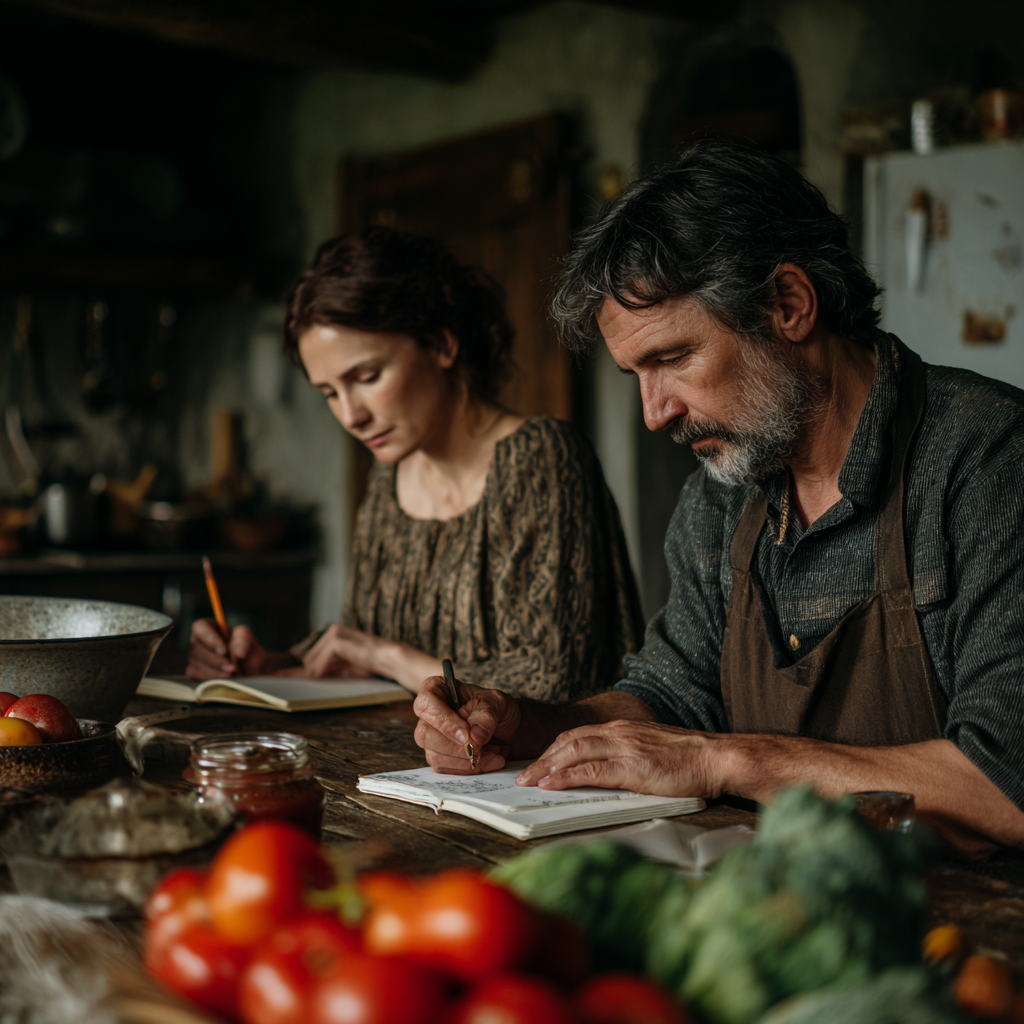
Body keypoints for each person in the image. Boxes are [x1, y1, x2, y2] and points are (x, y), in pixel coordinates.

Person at [411, 140, 1024, 857]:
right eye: (635, 373)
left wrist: (725, 758)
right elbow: (672, 696)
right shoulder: (723, 501)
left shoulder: (989, 462)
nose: (654, 413)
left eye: (671, 359)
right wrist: (526, 725)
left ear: (789, 304)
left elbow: (1006, 782)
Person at [188, 226, 643, 699]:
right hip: (402, 764)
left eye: (366, 376)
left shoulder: (543, 457)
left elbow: (559, 683)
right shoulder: (390, 478)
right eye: (329, 393)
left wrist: (388, 657)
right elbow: (356, 644)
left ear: (442, 343)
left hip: (532, 770)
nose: (350, 415)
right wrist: (267, 663)